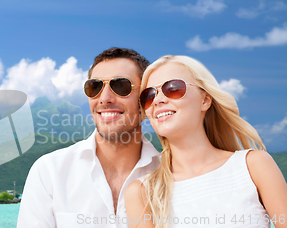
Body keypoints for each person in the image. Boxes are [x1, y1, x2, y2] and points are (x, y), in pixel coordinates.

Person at [125, 55, 287, 228]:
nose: (158, 100)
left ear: (205, 100)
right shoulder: (142, 193)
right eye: (148, 96)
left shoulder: (253, 166)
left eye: (173, 88)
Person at [17, 47, 161, 228]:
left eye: (121, 86)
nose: (105, 98)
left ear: (146, 99)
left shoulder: (171, 175)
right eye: (95, 87)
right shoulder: (49, 172)